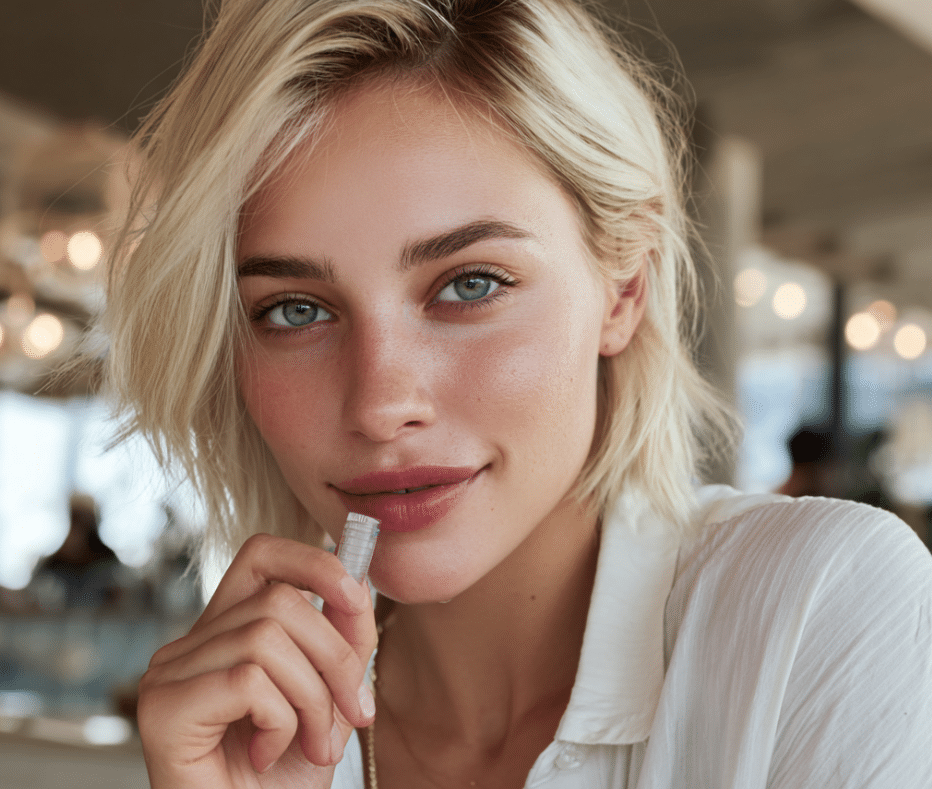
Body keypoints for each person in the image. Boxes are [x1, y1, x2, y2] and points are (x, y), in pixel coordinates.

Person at [100, 1, 932, 786]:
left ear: (622, 288)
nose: (381, 405)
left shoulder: (820, 605)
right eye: (296, 309)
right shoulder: (261, 736)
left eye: (469, 285)